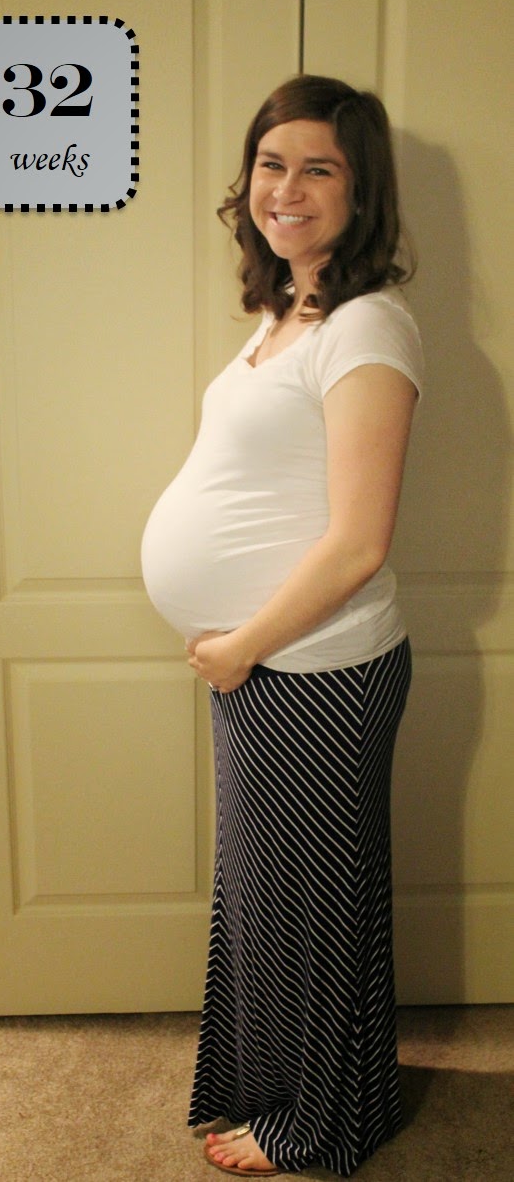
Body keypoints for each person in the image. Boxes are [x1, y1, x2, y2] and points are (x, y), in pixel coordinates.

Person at [141, 74, 424, 1177]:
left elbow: (358, 543)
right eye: (271, 163)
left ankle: (320, 1121)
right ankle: (299, 1088)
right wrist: (235, 649)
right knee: (278, 897)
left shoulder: (367, 327)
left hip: (312, 668)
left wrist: (240, 645)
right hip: (267, 665)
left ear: (361, 191)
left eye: (318, 168)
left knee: (307, 905)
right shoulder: (288, 314)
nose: (286, 188)